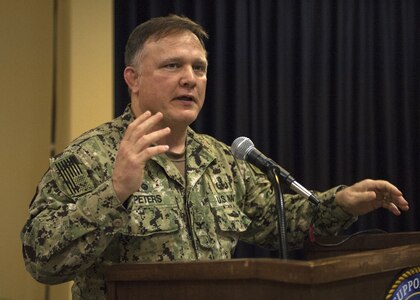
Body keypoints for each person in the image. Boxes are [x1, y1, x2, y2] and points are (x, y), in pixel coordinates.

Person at [21, 15, 409, 299]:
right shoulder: (90, 157)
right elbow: (41, 260)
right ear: (132, 79)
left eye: (199, 68)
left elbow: (279, 223)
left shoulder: (221, 159)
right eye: (172, 65)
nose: (190, 78)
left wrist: (341, 203)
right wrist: (115, 191)